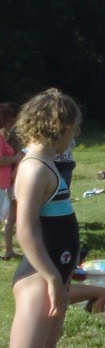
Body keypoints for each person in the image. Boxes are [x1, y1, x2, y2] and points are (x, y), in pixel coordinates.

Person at [9, 88, 82, 348]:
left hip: (55, 272)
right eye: (73, 131)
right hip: (39, 276)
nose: (73, 137)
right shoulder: (34, 168)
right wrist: (51, 277)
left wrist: (65, 272)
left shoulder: (47, 164)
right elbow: (25, 230)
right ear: (62, 128)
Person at [0, 102, 25, 259]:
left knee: (11, 216)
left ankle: (9, 250)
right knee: (9, 216)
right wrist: (17, 159)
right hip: (6, 181)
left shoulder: (6, 135)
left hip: (8, 181)